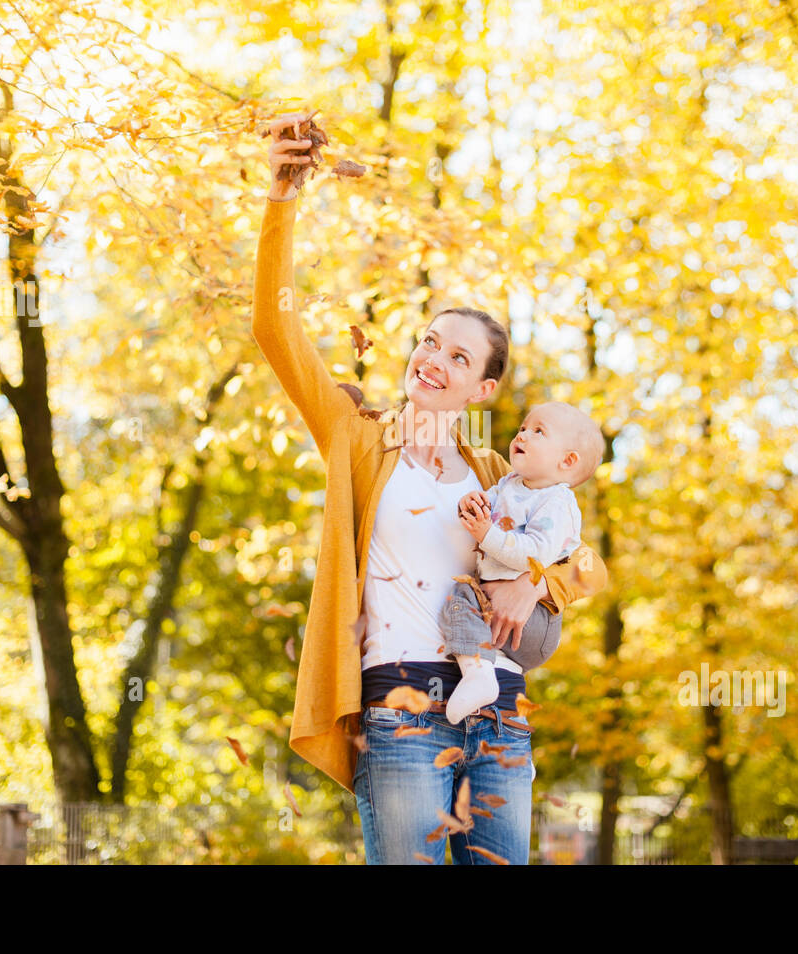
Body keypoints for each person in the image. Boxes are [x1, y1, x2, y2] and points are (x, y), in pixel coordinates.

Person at [252, 111, 610, 864]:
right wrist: (282, 201)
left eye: (457, 356)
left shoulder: (498, 473)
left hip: (501, 721)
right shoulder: (358, 442)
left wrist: (537, 585)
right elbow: (275, 334)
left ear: (480, 391)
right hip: (403, 711)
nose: (433, 360)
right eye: (428, 342)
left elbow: (590, 567)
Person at [441, 402, 606, 725]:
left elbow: (546, 557)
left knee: (460, 600)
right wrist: (469, 503)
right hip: (498, 617)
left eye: (538, 431)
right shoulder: (510, 484)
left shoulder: (556, 502)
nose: (523, 435)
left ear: (567, 461)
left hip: (535, 621)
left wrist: (533, 585)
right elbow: (487, 504)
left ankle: (478, 676)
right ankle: (510, 720)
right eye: (523, 428)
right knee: (462, 599)